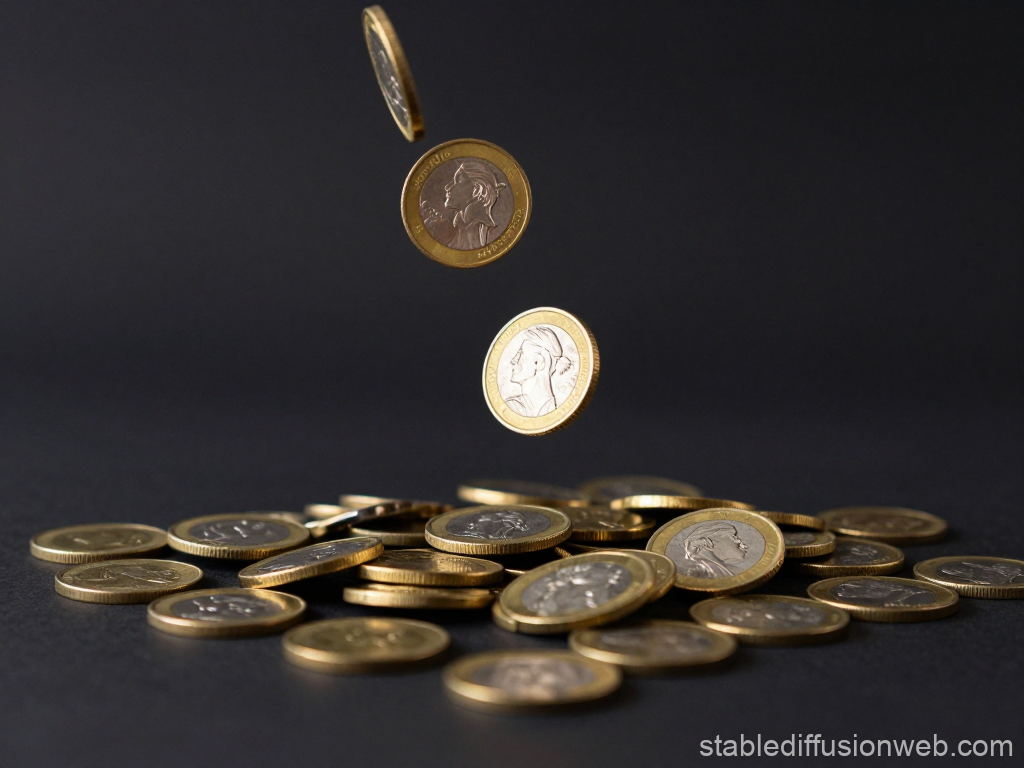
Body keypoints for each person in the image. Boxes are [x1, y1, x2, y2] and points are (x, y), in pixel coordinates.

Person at [504, 326, 573, 418]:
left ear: (538, 362)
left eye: (521, 353)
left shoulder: (513, 409)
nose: (513, 360)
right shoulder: (513, 407)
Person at [442, 161, 507, 249]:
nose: (447, 187)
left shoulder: (480, 231)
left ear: (477, 190)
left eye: (458, 182)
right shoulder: (460, 226)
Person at [674, 521, 751, 578]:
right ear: (707, 543)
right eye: (733, 536)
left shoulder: (738, 572)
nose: (739, 541)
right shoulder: (695, 575)